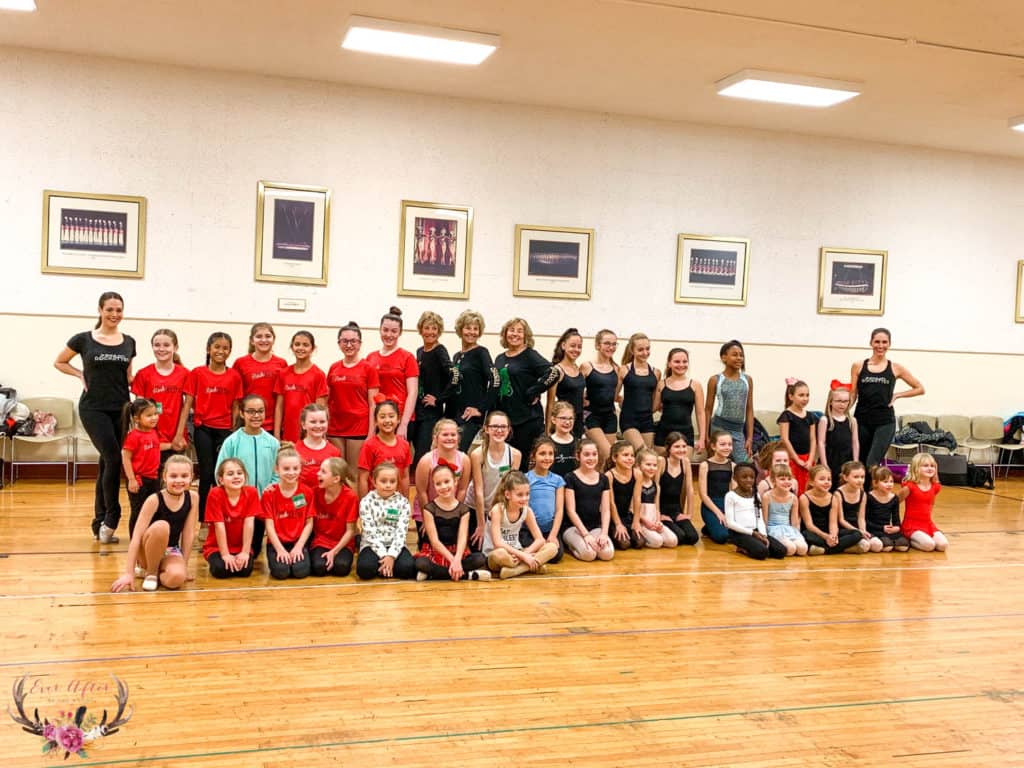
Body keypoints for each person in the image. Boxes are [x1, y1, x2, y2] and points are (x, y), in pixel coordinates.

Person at [55, 291, 136, 543]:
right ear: (100, 310)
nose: (114, 314)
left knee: (106, 463)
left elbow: (128, 377)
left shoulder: (129, 342)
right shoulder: (83, 339)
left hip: (121, 409)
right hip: (93, 408)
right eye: (109, 309)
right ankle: (113, 516)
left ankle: (98, 522)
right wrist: (80, 374)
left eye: (118, 310)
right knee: (114, 458)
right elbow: (59, 362)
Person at [111, 455, 198, 592]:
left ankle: (158, 571)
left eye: (184, 476)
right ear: (164, 476)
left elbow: (188, 533)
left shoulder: (193, 498)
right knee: (162, 526)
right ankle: (151, 572)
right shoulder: (154, 500)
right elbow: (136, 537)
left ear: (191, 477)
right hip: (147, 548)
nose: (179, 480)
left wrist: (184, 565)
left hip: (171, 550)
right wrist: (129, 573)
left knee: (176, 579)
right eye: (173, 476)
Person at [179, 332, 243, 518]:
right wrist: (179, 432)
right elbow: (187, 404)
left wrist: (233, 431)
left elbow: (236, 406)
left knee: (222, 474)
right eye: (217, 347)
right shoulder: (197, 373)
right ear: (209, 349)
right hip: (203, 429)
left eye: (225, 348)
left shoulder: (234, 376)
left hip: (225, 431)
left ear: (230, 351)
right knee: (207, 473)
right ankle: (204, 519)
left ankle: (223, 515)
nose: (220, 351)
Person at [849, 328, 925, 469]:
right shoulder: (858, 366)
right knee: (859, 462)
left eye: (884, 342)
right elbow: (853, 393)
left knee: (872, 463)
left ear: (889, 344)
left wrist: (897, 395)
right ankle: (862, 491)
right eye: (877, 341)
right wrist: (843, 411)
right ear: (871, 343)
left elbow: (920, 388)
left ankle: (872, 490)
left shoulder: (896, 368)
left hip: (884, 422)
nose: (880, 345)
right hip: (861, 420)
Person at [494, 317, 560, 471]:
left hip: (527, 420)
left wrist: (533, 391)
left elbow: (553, 373)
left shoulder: (530, 355)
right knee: (504, 465)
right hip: (505, 421)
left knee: (520, 466)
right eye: (511, 330)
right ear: (505, 334)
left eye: (519, 331)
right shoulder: (500, 358)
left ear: (525, 335)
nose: (515, 334)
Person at [415, 464, 490, 581]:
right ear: (434, 486)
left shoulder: (464, 509)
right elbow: (434, 541)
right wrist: (453, 560)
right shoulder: (429, 508)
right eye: (438, 484)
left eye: (446, 481)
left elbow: (462, 538)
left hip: (456, 550)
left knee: (480, 558)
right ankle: (469, 575)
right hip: (435, 551)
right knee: (421, 563)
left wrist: (457, 559)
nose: (443, 486)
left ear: (455, 481)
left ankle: (435, 574)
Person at [482, 471, 558, 579]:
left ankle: (515, 571)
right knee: (500, 554)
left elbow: (540, 539)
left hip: (517, 552)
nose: (525, 498)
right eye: (520, 495)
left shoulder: (527, 511)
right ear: (507, 494)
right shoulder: (497, 510)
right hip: (497, 554)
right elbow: (498, 543)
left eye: (527, 494)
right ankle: (533, 565)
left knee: (552, 547)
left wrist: (526, 553)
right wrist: (524, 556)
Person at [130, 328, 189, 466]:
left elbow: (188, 406)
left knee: (174, 479)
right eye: (157, 345)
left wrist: (179, 435)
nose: (161, 349)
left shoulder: (185, 374)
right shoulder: (143, 374)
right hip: (150, 438)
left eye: (166, 345)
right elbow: (138, 410)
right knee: (150, 481)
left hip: (176, 437)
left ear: (175, 347)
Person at [326, 321, 380, 469]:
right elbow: (327, 401)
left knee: (353, 473)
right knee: (337, 473)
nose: (349, 345)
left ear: (360, 343)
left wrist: (371, 433)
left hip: (359, 428)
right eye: (345, 341)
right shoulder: (334, 368)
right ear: (339, 343)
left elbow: (373, 404)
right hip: (335, 428)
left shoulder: (368, 368)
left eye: (353, 341)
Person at [466, 410, 521, 548]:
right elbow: (479, 491)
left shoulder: (515, 455)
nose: (499, 430)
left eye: (503, 427)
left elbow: (510, 489)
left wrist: (502, 516)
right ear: (486, 429)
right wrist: (481, 524)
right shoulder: (477, 454)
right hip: (476, 508)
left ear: (509, 430)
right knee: (478, 550)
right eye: (494, 426)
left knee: (503, 548)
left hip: (499, 509)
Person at [261, 443, 315, 579]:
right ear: (277, 469)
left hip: (298, 541)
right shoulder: (269, 494)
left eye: (295, 468)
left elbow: (309, 523)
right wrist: (280, 550)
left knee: (300, 572)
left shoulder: (306, 492)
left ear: (300, 469)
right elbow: (269, 526)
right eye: (286, 469)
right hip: (277, 543)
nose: (291, 473)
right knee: (281, 572)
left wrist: (299, 547)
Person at [356, 462, 417, 580]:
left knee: (408, 569)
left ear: (397, 483)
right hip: (372, 545)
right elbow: (369, 532)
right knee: (364, 570)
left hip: (395, 544)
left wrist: (392, 555)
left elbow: (401, 532)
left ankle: (384, 567)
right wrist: (384, 555)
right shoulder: (366, 502)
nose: (388, 485)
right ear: (374, 482)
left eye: (392, 481)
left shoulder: (403, 502)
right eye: (383, 481)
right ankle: (386, 567)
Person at [447, 309, 496, 452]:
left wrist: (481, 410)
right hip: (454, 414)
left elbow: (495, 381)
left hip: (470, 417)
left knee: (458, 454)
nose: (472, 332)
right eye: (468, 328)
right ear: (460, 330)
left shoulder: (482, 353)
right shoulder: (457, 356)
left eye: (476, 329)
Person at [366, 306, 418, 440]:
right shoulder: (371, 358)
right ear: (380, 330)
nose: (389, 335)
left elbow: (413, 392)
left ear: (400, 332)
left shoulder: (407, 357)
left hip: (399, 418)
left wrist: (404, 424)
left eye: (394, 331)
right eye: (385, 330)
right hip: (379, 418)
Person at [413, 418, 470, 538]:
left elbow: (462, 489)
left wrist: (456, 514)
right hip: (428, 509)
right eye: (445, 435)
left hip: (451, 511)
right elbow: (421, 492)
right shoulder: (426, 461)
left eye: (453, 435)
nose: (449, 438)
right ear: (436, 437)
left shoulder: (464, 459)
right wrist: (427, 518)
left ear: (458, 437)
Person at [202, 458, 258, 579]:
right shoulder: (215, 494)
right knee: (221, 570)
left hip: (240, 546)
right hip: (217, 546)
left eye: (239, 473)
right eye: (230, 474)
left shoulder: (252, 492)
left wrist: (245, 552)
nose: (236, 477)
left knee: (245, 571)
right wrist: (225, 554)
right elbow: (219, 526)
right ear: (221, 480)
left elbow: (249, 524)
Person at [562, 438, 615, 561]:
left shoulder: (603, 479)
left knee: (607, 554)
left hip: (595, 526)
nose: (591, 458)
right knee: (589, 555)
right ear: (578, 456)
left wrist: (604, 533)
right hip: (573, 527)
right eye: (586, 455)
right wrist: (585, 535)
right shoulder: (570, 477)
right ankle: (571, 545)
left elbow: (606, 510)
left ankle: (589, 541)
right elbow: (571, 511)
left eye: (594, 454)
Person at [412, 311, 454, 466]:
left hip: (431, 412)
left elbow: (454, 378)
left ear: (439, 331)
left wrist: (439, 399)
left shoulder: (440, 351)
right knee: (415, 449)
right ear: (421, 330)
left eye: (434, 328)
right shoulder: (420, 351)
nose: (430, 332)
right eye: (427, 328)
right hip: (418, 409)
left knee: (422, 455)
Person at [273, 331, 327, 444]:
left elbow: (320, 409)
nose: (301, 348)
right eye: (297, 344)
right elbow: (279, 407)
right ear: (291, 347)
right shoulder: (283, 373)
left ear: (313, 348)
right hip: (287, 434)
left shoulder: (318, 375)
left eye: (305, 345)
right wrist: (277, 434)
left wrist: (321, 436)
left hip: (309, 434)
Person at [724, 463, 786, 560]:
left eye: (752, 477)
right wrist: (752, 533)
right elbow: (730, 523)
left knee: (781, 551)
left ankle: (755, 545)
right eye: (744, 477)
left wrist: (763, 534)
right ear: (735, 478)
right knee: (762, 552)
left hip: (756, 532)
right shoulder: (730, 496)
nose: (749, 480)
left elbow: (759, 517)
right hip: (740, 534)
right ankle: (742, 548)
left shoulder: (756, 495)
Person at [233, 322, 287, 433]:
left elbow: (282, 399)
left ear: (273, 339)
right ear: (252, 341)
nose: (264, 340)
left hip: (272, 425)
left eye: (268, 336)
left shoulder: (281, 364)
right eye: (259, 336)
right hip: (247, 423)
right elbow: (236, 397)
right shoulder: (241, 363)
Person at [705, 340, 754, 462]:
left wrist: (749, 438)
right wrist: (705, 435)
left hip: (738, 430)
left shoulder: (747, 380)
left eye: (741, 355)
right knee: (717, 465)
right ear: (724, 358)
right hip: (719, 428)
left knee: (744, 465)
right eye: (734, 354)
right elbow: (708, 409)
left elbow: (749, 409)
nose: (739, 358)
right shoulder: (715, 380)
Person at [310, 457, 359, 577]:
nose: (318, 473)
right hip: (321, 541)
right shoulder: (314, 493)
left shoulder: (350, 497)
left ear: (336, 479)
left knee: (341, 568)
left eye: (323, 471)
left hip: (343, 543)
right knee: (319, 568)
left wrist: (334, 552)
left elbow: (350, 531)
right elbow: (296, 498)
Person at [799, 465, 864, 555]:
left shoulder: (833, 498)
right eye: (822, 479)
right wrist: (825, 537)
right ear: (811, 482)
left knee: (857, 534)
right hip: (814, 533)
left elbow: (833, 523)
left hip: (828, 532)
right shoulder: (804, 498)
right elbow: (809, 525)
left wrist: (833, 536)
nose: (826, 482)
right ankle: (841, 548)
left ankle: (824, 550)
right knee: (805, 535)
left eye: (829, 479)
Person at [580, 329, 622, 468]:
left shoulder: (616, 368)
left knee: (606, 462)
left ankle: (602, 487)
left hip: (609, 416)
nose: (611, 347)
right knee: (608, 453)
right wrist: (582, 399)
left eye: (614, 344)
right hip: (591, 415)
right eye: (607, 343)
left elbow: (615, 395)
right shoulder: (587, 367)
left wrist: (621, 400)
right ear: (598, 345)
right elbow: (576, 387)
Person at [120, 398, 161, 537]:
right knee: (138, 512)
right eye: (149, 415)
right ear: (137, 418)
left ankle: (149, 540)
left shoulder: (153, 432)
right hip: (139, 480)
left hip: (153, 479)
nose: (154, 418)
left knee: (154, 510)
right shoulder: (133, 436)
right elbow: (125, 457)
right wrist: (131, 479)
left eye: (155, 414)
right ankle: (135, 542)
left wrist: (173, 445)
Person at [653, 347, 705, 455]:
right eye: (677, 361)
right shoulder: (662, 384)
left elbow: (700, 413)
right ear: (669, 364)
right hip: (663, 433)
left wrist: (702, 438)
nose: (681, 365)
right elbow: (654, 408)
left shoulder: (695, 385)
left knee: (683, 468)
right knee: (662, 468)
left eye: (685, 361)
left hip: (685, 433)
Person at [358, 399, 413, 499]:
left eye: (391, 416)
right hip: (375, 501)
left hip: (397, 501)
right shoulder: (369, 445)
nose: (387, 420)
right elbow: (363, 479)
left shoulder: (405, 445)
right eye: (382, 417)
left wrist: (406, 502)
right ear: (375, 421)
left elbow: (405, 477)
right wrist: (363, 506)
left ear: (398, 419)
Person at [523, 437, 566, 563]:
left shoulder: (558, 480)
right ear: (533, 456)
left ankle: (532, 561)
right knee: (535, 548)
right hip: (530, 530)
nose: (547, 458)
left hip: (549, 530)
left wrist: (553, 535)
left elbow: (559, 510)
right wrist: (537, 536)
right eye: (542, 454)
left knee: (556, 556)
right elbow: (524, 508)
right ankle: (534, 560)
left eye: (550, 454)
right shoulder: (525, 478)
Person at [899, 453, 948, 552]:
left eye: (932, 466)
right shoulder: (909, 487)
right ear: (916, 468)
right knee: (929, 545)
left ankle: (923, 538)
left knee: (943, 545)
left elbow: (930, 504)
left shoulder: (935, 487)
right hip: (911, 526)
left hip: (928, 524)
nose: (930, 468)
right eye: (925, 466)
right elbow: (893, 503)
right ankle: (908, 538)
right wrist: (896, 524)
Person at [618, 332, 660, 450]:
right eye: (640, 350)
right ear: (632, 350)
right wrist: (622, 401)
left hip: (647, 420)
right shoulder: (624, 370)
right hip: (629, 420)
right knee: (643, 451)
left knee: (647, 458)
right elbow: (614, 395)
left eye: (647, 349)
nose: (645, 353)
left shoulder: (656, 372)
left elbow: (655, 400)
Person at [657, 432, 699, 546]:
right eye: (677, 446)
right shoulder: (661, 461)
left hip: (676, 510)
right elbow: (655, 488)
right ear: (668, 448)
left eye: (684, 446)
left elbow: (690, 489)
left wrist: (689, 514)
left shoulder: (685, 462)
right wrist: (657, 514)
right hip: (662, 511)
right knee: (679, 537)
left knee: (693, 538)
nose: (681, 450)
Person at [777, 378, 816, 495]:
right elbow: (785, 439)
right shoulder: (786, 415)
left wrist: (810, 459)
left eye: (807, 395)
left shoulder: (810, 416)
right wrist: (796, 459)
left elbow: (813, 439)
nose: (805, 398)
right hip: (792, 458)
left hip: (807, 459)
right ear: (791, 396)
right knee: (794, 487)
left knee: (807, 488)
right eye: (801, 395)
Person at [634, 447, 677, 547]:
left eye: (654, 465)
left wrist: (658, 521)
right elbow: (632, 508)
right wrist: (645, 522)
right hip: (642, 521)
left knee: (673, 541)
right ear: (638, 465)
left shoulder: (656, 486)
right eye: (648, 465)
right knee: (657, 542)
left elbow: (657, 508)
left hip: (653, 520)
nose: (651, 468)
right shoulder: (636, 484)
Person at [546, 328, 585, 439]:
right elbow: (550, 403)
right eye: (572, 346)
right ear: (563, 346)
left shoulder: (578, 368)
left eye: (579, 346)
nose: (576, 349)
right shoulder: (557, 370)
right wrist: (548, 430)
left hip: (578, 420)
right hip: (563, 421)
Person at [761, 464, 808, 556]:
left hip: (788, 528)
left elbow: (794, 521)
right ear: (773, 481)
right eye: (782, 479)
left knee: (803, 549)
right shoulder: (767, 496)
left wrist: (796, 533)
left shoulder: (793, 498)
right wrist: (765, 534)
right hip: (773, 529)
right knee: (790, 549)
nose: (786, 482)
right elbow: (764, 519)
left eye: (789, 479)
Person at [697, 430, 734, 545]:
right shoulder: (705, 465)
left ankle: (709, 527)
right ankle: (711, 526)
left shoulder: (732, 466)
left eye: (729, 444)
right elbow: (703, 495)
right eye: (722, 444)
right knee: (722, 537)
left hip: (726, 504)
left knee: (736, 533)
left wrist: (729, 513)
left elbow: (733, 493)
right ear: (713, 446)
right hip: (710, 505)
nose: (727, 447)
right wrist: (718, 512)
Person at [818, 382, 858, 483]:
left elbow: (855, 442)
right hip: (830, 459)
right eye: (838, 401)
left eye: (845, 401)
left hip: (847, 460)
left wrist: (855, 461)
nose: (842, 404)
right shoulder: (825, 420)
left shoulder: (852, 421)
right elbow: (821, 443)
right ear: (831, 402)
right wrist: (824, 464)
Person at [605, 439, 643, 549]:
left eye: (632, 455)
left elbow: (637, 498)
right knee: (624, 544)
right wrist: (618, 524)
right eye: (625, 455)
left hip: (627, 516)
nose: (630, 458)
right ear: (614, 458)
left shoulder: (637, 474)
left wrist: (636, 521)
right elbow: (611, 503)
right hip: (613, 517)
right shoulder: (609, 475)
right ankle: (610, 533)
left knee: (640, 542)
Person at [834, 460, 878, 553]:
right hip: (844, 529)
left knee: (877, 545)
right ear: (845, 477)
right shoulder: (838, 494)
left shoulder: (863, 494)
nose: (860, 480)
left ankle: (852, 545)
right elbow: (841, 520)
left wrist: (863, 531)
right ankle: (844, 548)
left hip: (857, 528)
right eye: (856, 477)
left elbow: (861, 518)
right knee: (865, 545)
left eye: (862, 477)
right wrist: (858, 531)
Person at [295, 403, 340, 489]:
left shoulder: (334, 452)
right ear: (303, 425)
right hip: (302, 500)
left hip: (325, 500)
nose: (318, 426)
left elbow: (337, 484)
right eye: (313, 422)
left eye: (322, 422)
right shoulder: (295, 451)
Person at [865, 465, 910, 552]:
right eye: (885, 482)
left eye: (891, 481)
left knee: (903, 546)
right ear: (875, 483)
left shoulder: (894, 498)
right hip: (874, 529)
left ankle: (890, 540)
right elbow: (865, 520)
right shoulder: (869, 497)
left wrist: (897, 527)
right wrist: (882, 528)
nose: (889, 484)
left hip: (887, 530)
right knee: (887, 547)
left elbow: (896, 519)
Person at [548, 401, 578, 478]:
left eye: (571, 418)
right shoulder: (546, 443)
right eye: (563, 418)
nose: (567, 422)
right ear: (553, 419)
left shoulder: (579, 443)